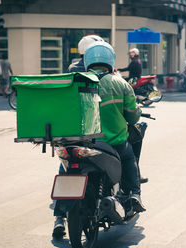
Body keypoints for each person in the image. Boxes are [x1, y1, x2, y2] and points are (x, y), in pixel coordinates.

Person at [53, 41, 146, 237]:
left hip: (80, 142)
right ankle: (134, 194)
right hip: (113, 142)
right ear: (110, 62)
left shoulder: (75, 80)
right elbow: (133, 116)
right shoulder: (120, 83)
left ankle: (58, 216)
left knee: (66, 164)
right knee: (129, 157)